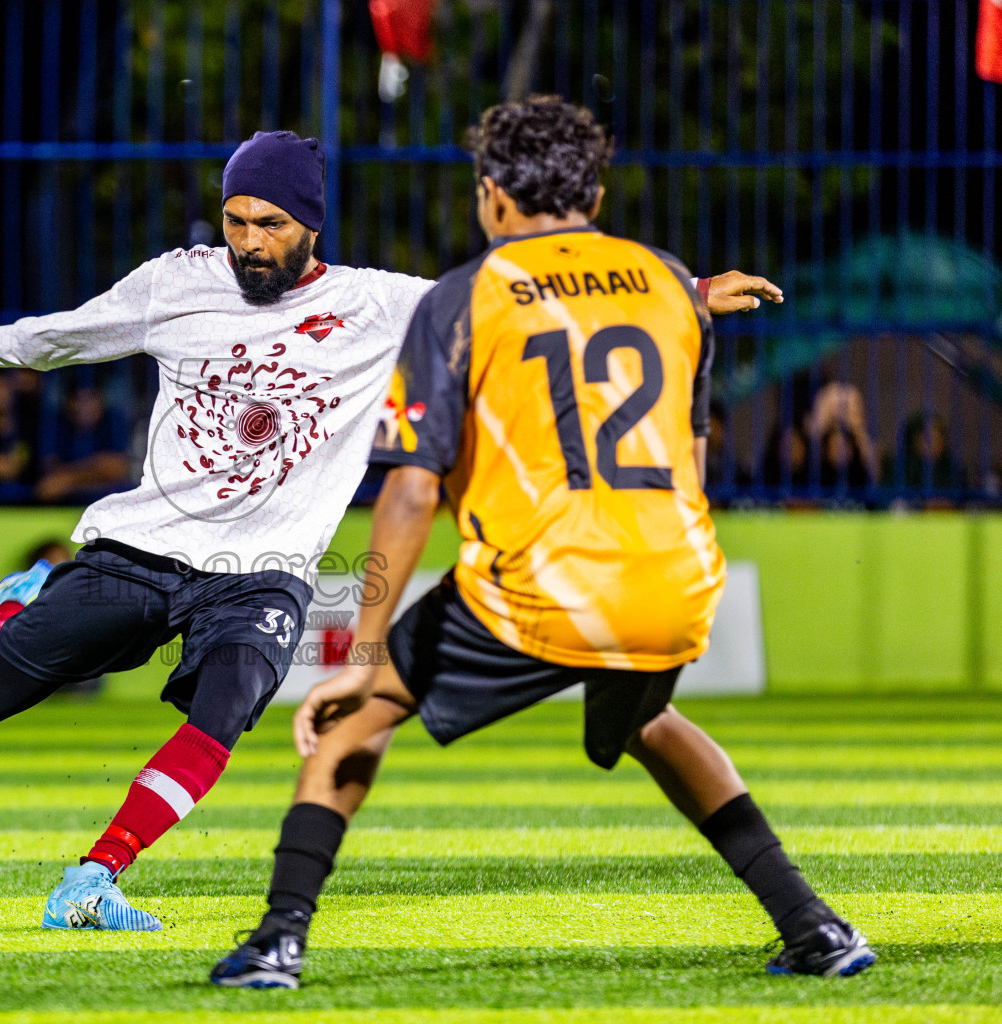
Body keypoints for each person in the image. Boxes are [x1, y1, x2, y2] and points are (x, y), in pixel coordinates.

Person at [0, 129, 777, 934]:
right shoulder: (177, 281)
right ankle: (28, 601)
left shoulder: (381, 304)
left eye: (269, 224)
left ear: (310, 224)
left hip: (266, 572)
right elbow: (65, 338)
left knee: (226, 708)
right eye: (235, 220)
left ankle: (95, 879)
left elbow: (520, 310)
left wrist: (689, 294)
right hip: (146, 546)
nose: (248, 242)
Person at [209, 97, 870, 989]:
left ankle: (278, 941)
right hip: (675, 583)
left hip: (535, 585)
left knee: (350, 722)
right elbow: (691, 461)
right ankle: (817, 927)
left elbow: (410, 489)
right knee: (652, 725)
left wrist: (365, 652)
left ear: (489, 196)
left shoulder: (462, 299)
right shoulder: (674, 283)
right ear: (594, 190)